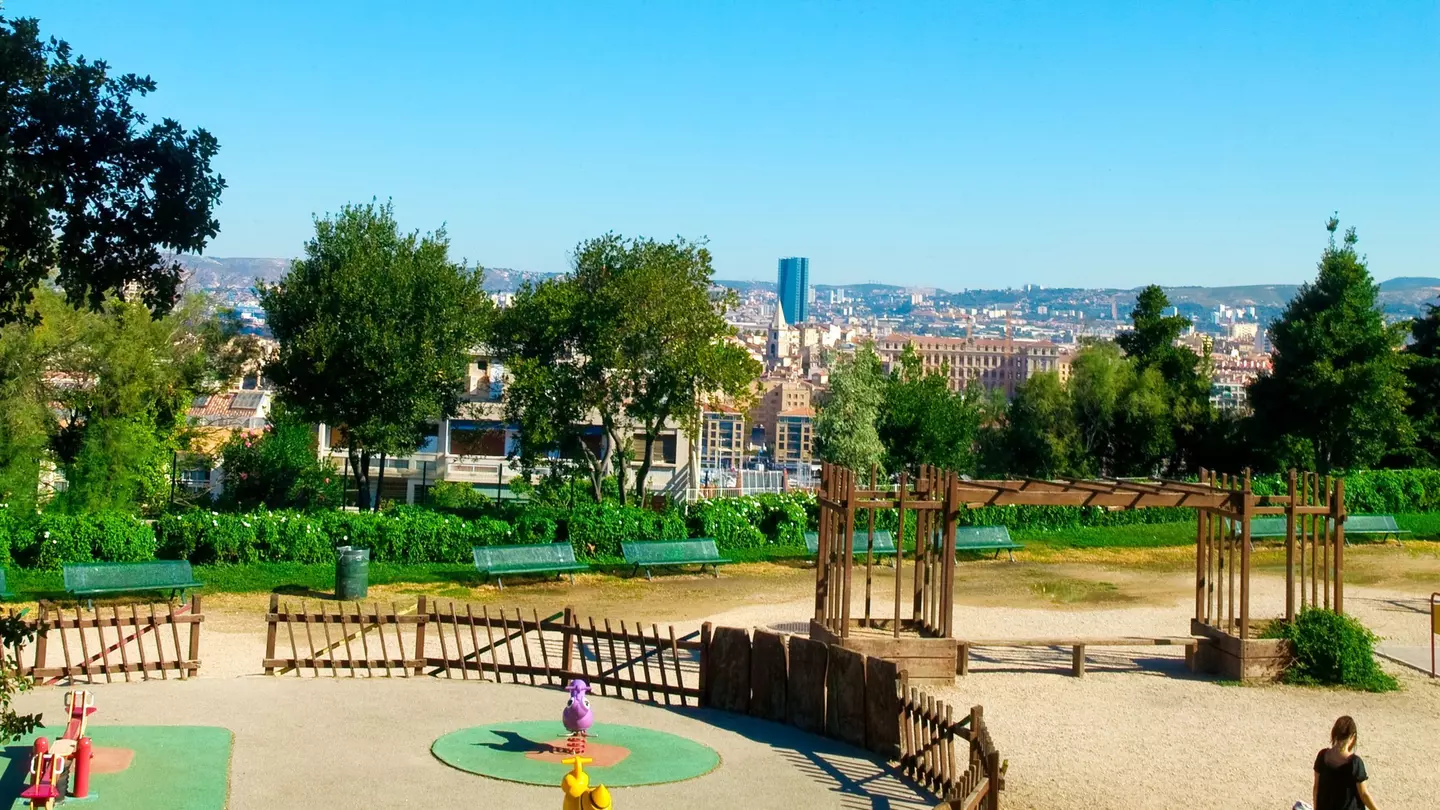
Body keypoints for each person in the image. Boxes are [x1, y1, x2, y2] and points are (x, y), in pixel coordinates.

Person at [1312, 716, 1379, 810]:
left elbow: (1316, 788)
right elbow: (1364, 794)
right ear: (1353, 737)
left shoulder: (1322, 756)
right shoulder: (1355, 763)